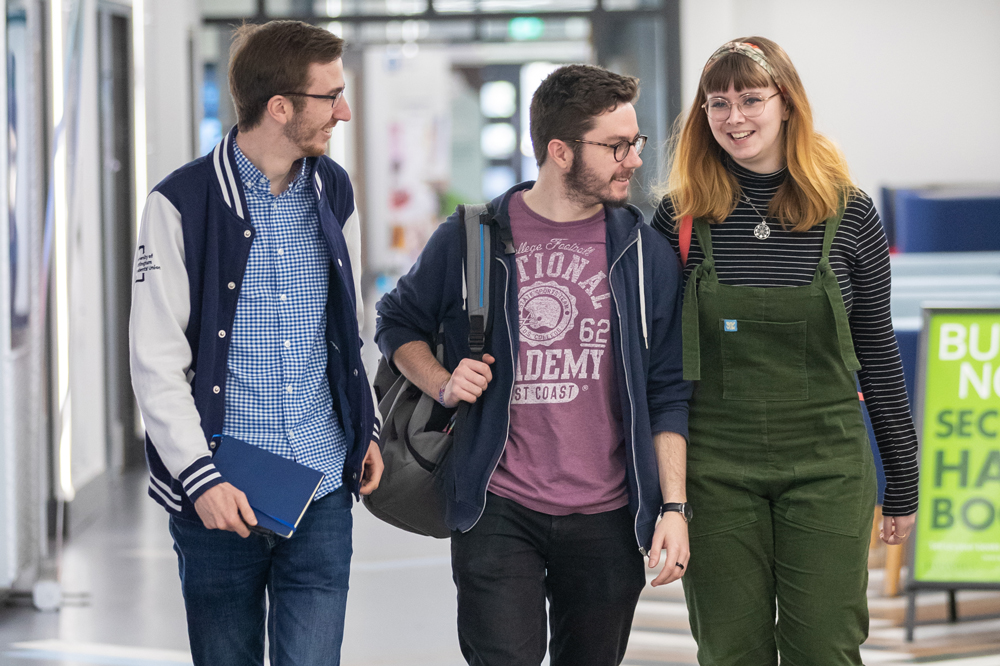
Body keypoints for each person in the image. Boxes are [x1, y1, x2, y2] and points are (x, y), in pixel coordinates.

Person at [375, 64, 692, 666]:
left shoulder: (643, 253)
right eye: (616, 146)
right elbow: (396, 323)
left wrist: (672, 508)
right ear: (560, 151)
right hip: (497, 506)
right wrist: (443, 383)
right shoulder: (474, 239)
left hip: (609, 517)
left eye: (636, 143)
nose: (633, 159)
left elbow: (668, 390)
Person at [651, 37, 919, 664]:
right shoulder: (680, 219)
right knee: (729, 648)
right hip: (715, 471)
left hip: (827, 464)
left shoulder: (849, 214)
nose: (735, 117)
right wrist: (663, 496)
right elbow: (657, 370)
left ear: (787, 105)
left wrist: (902, 482)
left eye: (751, 99)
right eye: (718, 103)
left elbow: (879, 352)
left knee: (826, 646)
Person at [129, 21, 383, 666]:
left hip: (324, 484)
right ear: (280, 107)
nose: (344, 112)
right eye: (332, 97)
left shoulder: (333, 189)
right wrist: (201, 479)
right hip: (220, 493)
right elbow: (156, 363)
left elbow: (346, 330)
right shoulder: (180, 203)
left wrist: (368, 428)